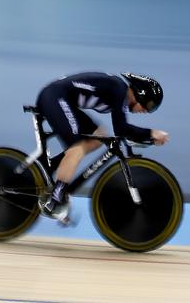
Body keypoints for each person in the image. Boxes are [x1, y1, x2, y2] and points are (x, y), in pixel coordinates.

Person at [35, 72, 169, 223]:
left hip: (61, 97)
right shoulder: (119, 90)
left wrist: (140, 140)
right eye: (148, 106)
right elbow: (122, 129)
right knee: (77, 148)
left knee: (99, 137)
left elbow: (122, 130)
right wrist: (151, 133)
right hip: (54, 96)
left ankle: (56, 167)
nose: (145, 111)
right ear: (141, 93)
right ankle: (54, 200)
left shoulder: (120, 93)